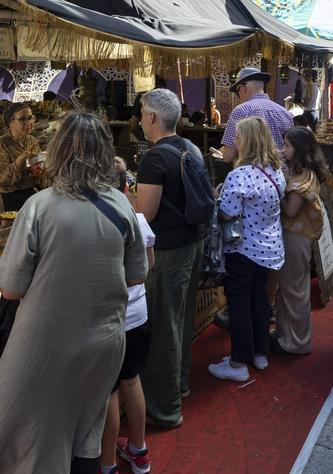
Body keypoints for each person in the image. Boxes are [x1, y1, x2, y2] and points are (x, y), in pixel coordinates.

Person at [0, 112, 148, 474]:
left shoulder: (39, 207)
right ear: (105, 153)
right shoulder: (123, 204)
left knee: (21, 432)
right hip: (104, 343)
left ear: (57, 152)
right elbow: (135, 277)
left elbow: (10, 289)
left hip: (45, 346)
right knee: (83, 428)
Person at [134, 88, 206, 428]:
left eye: (141, 112)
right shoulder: (191, 147)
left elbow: (143, 214)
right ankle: (179, 385)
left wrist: (125, 197)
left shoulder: (154, 158)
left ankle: (164, 408)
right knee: (179, 317)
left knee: (163, 325)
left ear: (151, 117)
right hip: (194, 243)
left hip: (167, 251)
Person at [209, 117, 286, 381]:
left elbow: (228, 214)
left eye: (238, 137)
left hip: (243, 249)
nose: (235, 141)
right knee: (260, 300)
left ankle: (238, 363)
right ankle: (259, 354)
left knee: (239, 303)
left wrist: (219, 200)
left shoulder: (239, 175)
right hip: (269, 248)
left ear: (249, 140)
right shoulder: (276, 171)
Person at [100, 163, 156, 474]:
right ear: (126, 188)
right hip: (138, 315)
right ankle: (139, 450)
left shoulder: (100, 223)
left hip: (112, 320)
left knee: (109, 392)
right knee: (132, 381)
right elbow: (148, 265)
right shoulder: (138, 220)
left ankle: (106, 462)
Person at [271, 126, 329, 356]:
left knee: (294, 289)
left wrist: (274, 190)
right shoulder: (303, 172)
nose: (283, 149)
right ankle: (285, 335)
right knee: (287, 288)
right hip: (295, 234)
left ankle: (298, 342)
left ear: (300, 149)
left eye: (287, 145)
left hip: (295, 235)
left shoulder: (304, 176)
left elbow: (291, 211)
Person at [220, 67, 293, 165]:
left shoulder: (241, 111)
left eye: (237, 92)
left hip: (251, 177)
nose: (239, 96)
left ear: (243, 88)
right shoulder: (285, 112)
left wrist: (223, 151)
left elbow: (228, 156)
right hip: (280, 177)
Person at [0, 102, 48, 216]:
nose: (28, 123)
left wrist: (42, 174)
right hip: (7, 204)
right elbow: (0, 179)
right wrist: (21, 158)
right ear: (11, 122)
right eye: (22, 119)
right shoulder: (0, 145)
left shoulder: (31, 140)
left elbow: (39, 172)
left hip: (30, 200)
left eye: (30, 118)